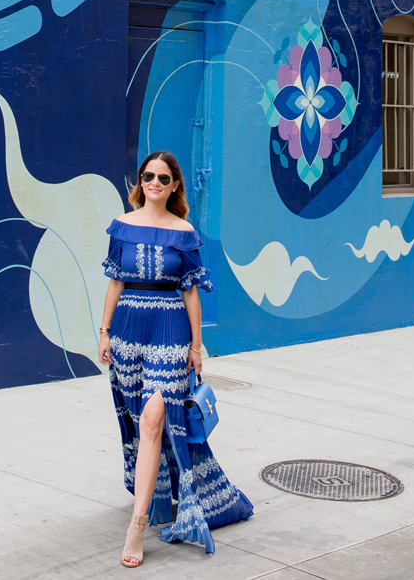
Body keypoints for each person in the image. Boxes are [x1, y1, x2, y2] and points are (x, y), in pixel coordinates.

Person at [99, 149, 253, 566]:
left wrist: (196, 346)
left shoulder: (184, 232)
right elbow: (115, 282)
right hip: (130, 331)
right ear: (140, 181)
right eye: (148, 176)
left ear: (174, 186)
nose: (154, 183)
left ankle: (138, 525)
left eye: (163, 178)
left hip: (170, 330)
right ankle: (163, 495)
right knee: (139, 422)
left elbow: (190, 291)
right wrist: (105, 331)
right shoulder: (122, 227)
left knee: (154, 419)